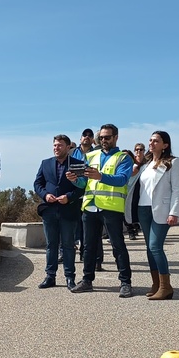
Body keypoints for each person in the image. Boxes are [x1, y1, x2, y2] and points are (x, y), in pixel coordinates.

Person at [67, 124, 135, 297]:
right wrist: (75, 180)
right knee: (88, 246)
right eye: (102, 138)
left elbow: (121, 180)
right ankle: (87, 280)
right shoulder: (91, 156)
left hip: (111, 207)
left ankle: (125, 282)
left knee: (117, 245)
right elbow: (85, 183)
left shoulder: (123, 158)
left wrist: (101, 176)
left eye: (107, 137)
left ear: (116, 137)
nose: (104, 140)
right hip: (90, 206)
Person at [126, 131, 179, 300]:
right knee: (149, 249)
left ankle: (166, 286)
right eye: (150, 140)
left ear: (165, 145)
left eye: (156, 141)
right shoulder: (146, 164)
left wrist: (174, 212)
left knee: (155, 246)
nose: (151, 143)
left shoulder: (173, 162)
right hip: (143, 209)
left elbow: (177, 189)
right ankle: (156, 283)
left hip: (161, 210)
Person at [34, 135, 85, 291]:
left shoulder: (77, 164)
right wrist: (45, 195)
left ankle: (70, 278)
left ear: (68, 147)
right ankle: (50, 276)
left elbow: (82, 187)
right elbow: (37, 183)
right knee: (51, 245)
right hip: (49, 210)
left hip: (68, 210)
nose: (56, 148)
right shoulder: (46, 163)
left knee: (68, 245)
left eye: (60, 145)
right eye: (55, 145)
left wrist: (69, 197)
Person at [71, 129, 97, 262]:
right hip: (73, 193)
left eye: (90, 136)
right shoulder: (72, 152)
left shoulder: (97, 154)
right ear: (80, 138)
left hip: (90, 194)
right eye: (84, 135)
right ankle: (64, 253)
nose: (87, 137)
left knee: (86, 228)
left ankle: (86, 255)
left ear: (93, 139)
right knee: (70, 225)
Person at [125, 143, 147, 240]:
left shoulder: (147, 163)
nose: (138, 151)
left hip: (142, 189)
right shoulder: (132, 162)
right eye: (137, 149)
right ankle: (131, 230)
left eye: (141, 149)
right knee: (128, 209)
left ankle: (136, 226)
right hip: (131, 188)